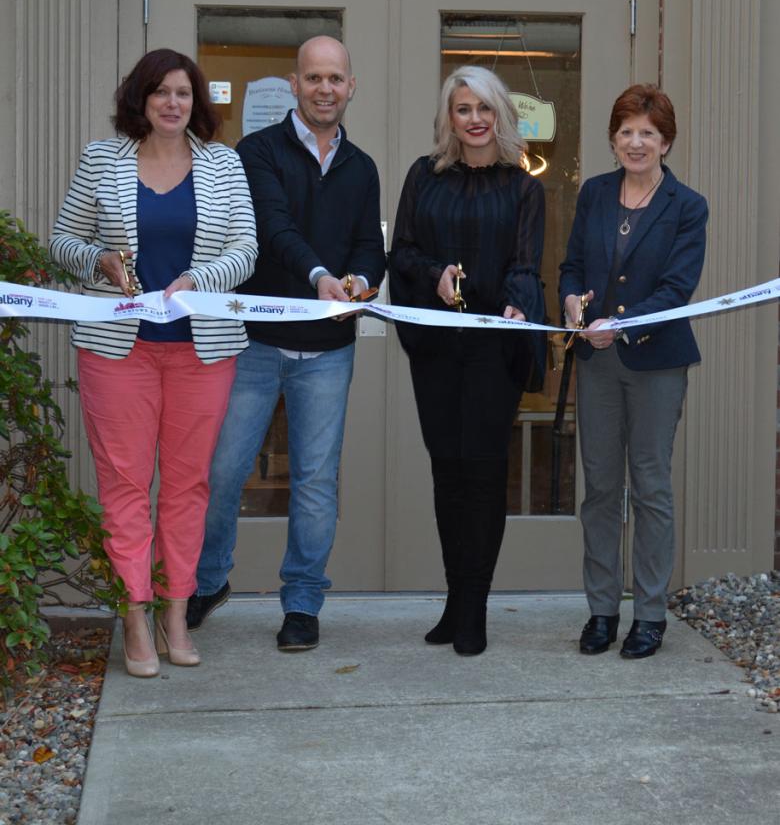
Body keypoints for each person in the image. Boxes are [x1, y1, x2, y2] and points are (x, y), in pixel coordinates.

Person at [50, 49, 258, 677]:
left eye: (185, 93)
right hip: (118, 351)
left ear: (198, 102)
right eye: (161, 92)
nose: (174, 103)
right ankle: (134, 618)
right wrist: (100, 264)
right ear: (140, 99)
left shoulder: (224, 164)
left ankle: (175, 613)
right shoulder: (100, 159)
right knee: (124, 487)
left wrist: (200, 278)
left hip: (202, 351)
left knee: (190, 487)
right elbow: (65, 239)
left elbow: (247, 247)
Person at [187, 36, 385, 651]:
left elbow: (367, 244)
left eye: (336, 78)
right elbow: (273, 230)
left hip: (329, 350)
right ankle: (209, 578)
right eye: (313, 77)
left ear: (352, 87)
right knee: (222, 472)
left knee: (316, 482)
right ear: (294, 85)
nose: (325, 88)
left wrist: (362, 279)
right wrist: (322, 277)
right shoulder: (258, 152)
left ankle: (302, 602)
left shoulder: (363, 166)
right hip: (255, 343)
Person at [389, 65, 546, 656]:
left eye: (484, 108)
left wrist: (516, 303)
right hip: (436, 349)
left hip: (491, 351)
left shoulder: (524, 187)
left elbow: (528, 264)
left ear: (500, 113)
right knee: (446, 473)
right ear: (448, 118)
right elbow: (399, 252)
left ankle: (476, 606)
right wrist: (435, 275)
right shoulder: (423, 178)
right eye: (462, 109)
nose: (474, 119)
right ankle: (455, 600)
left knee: (482, 476)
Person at [559, 83, 708, 659]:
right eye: (626, 132)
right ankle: (601, 610)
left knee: (649, 487)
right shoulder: (595, 194)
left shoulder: (687, 206)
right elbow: (572, 264)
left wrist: (620, 325)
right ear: (613, 139)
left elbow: (677, 289)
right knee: (599, 489)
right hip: (596, 362)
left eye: (648, 132)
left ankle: (649, 614)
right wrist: (573, 304)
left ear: (666, 141)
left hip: (656, 362)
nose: (636, 142)